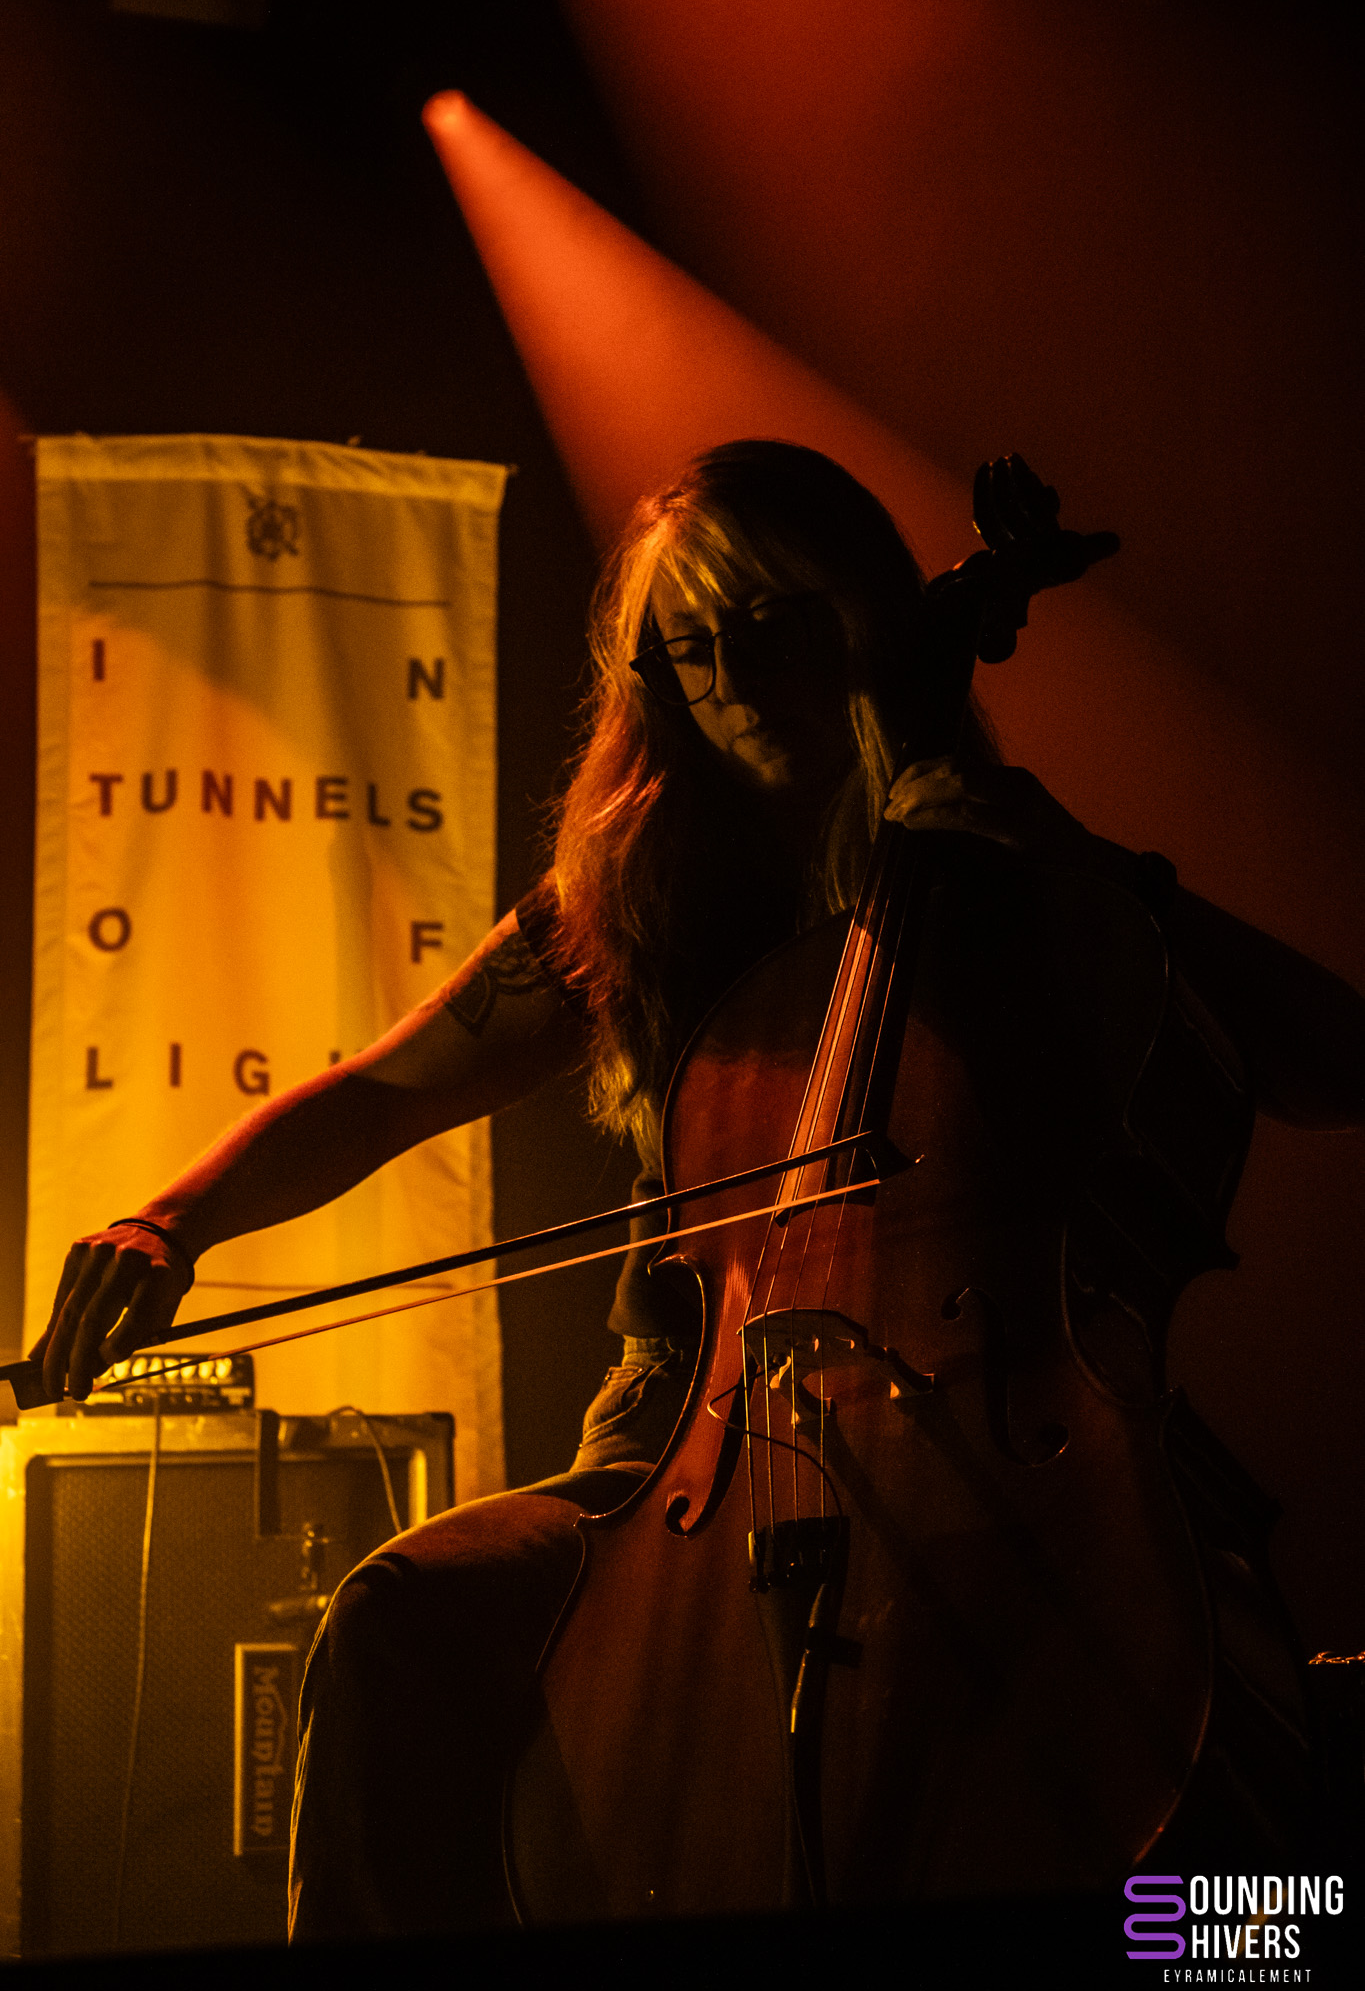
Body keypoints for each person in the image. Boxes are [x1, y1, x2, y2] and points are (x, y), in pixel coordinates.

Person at [33, 442, 1365, 1933]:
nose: (729, 679)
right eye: (686, 647)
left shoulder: (1025, 880)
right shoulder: (639, 892)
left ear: (863, 615)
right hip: (677, 1446)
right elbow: (382, 1092)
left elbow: (1333, 1060)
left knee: (1222, 1843)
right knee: (400, 1619)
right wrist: (170, 1218)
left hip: (998, 1463)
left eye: (772, 626)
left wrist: (1082, 866)